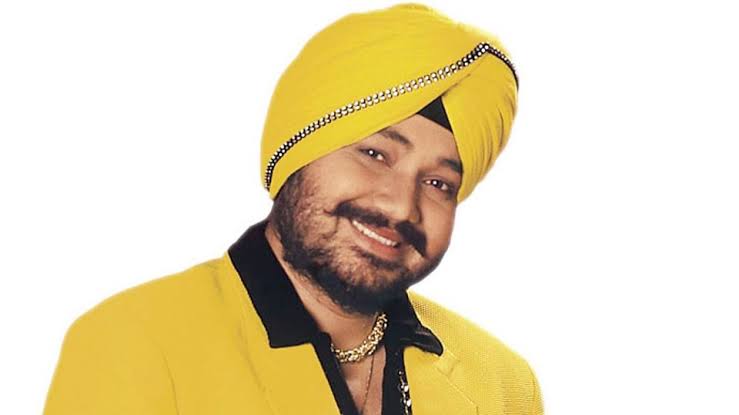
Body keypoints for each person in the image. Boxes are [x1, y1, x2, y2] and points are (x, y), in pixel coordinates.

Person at [43, 3, 543, 414]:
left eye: (438, 183)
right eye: (374, 154)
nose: (400, 205)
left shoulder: (503, 383)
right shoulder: (133, 344)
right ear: (299, 151)